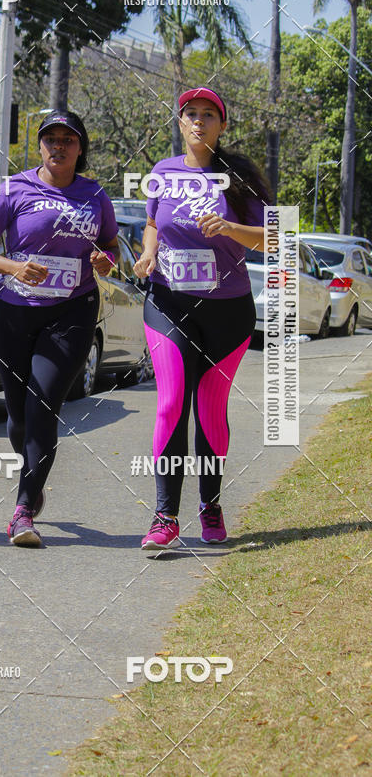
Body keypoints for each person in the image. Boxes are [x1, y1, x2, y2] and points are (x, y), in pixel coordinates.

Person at [0, 110, 119, 546]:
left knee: (43, 406)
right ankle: (34, 473)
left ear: (79, 148)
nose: (58, 146)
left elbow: (109, 250)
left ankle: (23, 510)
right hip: (14, 311)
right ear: (39, 147)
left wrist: (105, 262)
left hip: (72, 310)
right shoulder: (15, 188)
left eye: (67, 140)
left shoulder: (95, 196)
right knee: (18, 420)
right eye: (50, 139)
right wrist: (14, 266)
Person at [133, 87, 271, 551]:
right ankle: (164, 516)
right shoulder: (161, 173)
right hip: (168, 302)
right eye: (190, 113)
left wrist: (231, 228)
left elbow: (274, 239)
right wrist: (148, 254)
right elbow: (153, 222)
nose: (198, 121)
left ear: (222, 125)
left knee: (209, 410)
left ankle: (210, 507)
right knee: (171, 403)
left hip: (228, 311)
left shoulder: (239, 178)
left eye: (208, 115)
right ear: (180, 122)